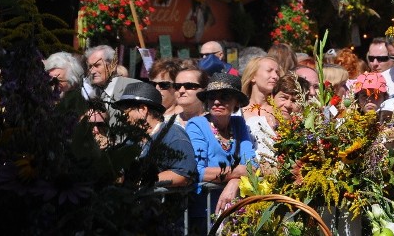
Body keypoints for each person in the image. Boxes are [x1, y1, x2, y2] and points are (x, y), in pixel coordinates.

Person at [185, 73, 256, 228]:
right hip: (203, 212)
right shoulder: (196, 125)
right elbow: (199, 171)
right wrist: (237, 174)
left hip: (233, 211)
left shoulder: (238, 123)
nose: (217, 102)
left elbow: (253, 165)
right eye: (211, 97)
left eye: (224, 96)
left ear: (236, 102)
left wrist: (234, 182)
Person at [112, 81, 197, 189]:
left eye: (126, 111)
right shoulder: (132, 139)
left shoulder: (173, 135)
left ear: (143, 109)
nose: (123, 117)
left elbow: (184, 174)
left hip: (162, 204)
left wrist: (144, 181)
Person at [241, 56, 283, 158]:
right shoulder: (238, 112)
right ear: (253, 77)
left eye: (277, 72)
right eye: (269, 71)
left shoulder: (281, 110)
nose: (275, 76)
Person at [149, 58, 185, 126]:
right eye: (153, 84)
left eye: (163, 85)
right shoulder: (145, 115)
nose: (157, 88)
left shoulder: (184, 119)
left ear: (177, 87)